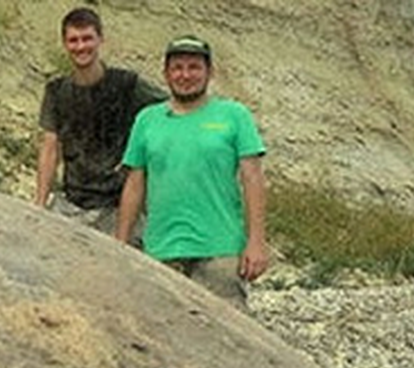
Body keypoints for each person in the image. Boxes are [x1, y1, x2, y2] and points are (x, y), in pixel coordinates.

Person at [115, 35, 268, 308]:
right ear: (166, 73)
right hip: (161, 251)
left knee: (225, 341)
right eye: (178, 68)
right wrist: (121, 245)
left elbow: (253, 178)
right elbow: (135, 184)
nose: (185, 75)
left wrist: (256, 241)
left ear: (210, 72)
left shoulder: (234, 115)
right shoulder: (147, 119)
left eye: (194, 67)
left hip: (220, 252)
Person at [34, 7, 166, 237]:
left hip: (118, 207)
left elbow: (172, 109)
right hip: (72, 203)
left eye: (87, 38)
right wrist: (40, 204)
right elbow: (50, 147)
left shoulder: (128, 85)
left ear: (101, 39)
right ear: (64, 44)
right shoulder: (56, 91)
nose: (81, 46)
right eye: (73, 40)